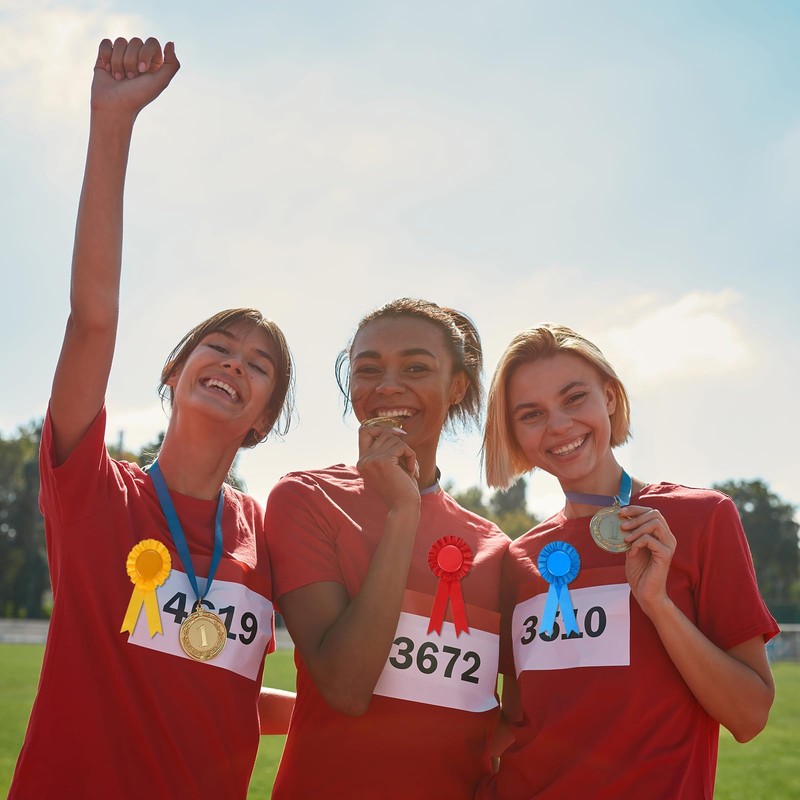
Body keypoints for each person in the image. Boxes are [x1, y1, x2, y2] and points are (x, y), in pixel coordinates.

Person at [9, 37, 294, 799]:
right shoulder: (93, 493)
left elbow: (220, 692)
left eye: (258, 365)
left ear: (263, 419)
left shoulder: (265, 535)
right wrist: (113, 126)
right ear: (174, 374)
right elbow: (91, 322)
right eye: (219, 347)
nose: (235, 362)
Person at [478, 323, 779, 800]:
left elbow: (749, 716)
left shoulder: (701, 518)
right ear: (514, 433)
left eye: (574, 398)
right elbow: (516, 723)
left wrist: (657, 604)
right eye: (531, 414)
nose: (558, 425)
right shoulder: (518, 559)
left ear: (611, 399)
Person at [265, 298, 510, 799]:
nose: (388, 386)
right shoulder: (306, 500)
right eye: (368, 369)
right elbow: (347, 688)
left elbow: (522, 716)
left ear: (456, 386)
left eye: (416, 367)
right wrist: (404, 512)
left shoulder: (496, 547)